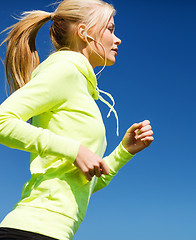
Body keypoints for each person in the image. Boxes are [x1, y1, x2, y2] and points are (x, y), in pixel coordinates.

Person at [0, 0, 154, 239]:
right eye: (110, 29)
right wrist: (74, 150)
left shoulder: (81, 86)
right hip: (32, 229)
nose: (118, 39)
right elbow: (3, 121)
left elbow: (87, 182)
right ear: (83, 33)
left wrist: (124, 151)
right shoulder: (65, 71)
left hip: (54, 232)